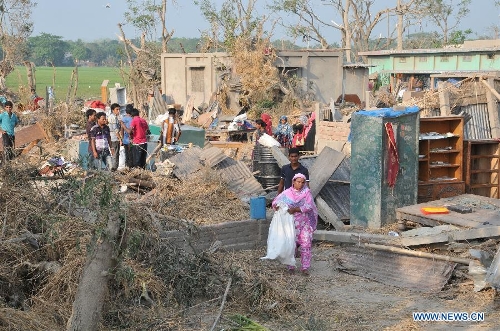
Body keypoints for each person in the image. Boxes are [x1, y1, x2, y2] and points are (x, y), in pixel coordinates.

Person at [272, 173, 318, 275]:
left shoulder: (307, 193)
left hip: (304, 223)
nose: (300, 184)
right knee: (291, 245)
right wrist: (279, 207)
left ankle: (305, 268)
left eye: (302, 182)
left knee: (306, 244)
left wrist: (296, 209)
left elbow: (309, 206)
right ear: (293, 182)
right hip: (291, 224)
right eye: (298, 182)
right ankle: (291, 266)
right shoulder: (287, 193)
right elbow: (275, 202)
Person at [107, 103, 121, 171]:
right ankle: (113, 169)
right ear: (113, 110)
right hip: (114, 138)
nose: (118, 111)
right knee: (115, 154)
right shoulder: (113, 117)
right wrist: (120, 139)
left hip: (114, 138)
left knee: (116, 154)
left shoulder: (115, 117)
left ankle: (114, 169)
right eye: (117, 109)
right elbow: (116, 130)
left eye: (119, 109)